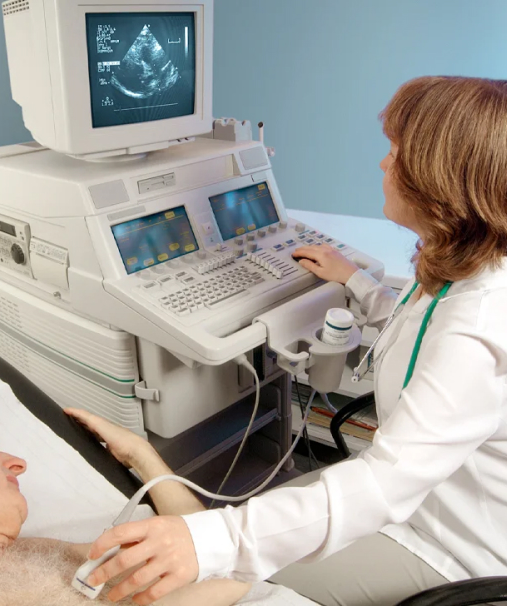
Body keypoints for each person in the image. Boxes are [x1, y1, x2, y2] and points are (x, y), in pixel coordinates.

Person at [81, 75, 507, 606]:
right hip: (424, 497)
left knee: (226, 581)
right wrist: (354, 281)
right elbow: (417, 323)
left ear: (438, 180)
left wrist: (213, 543)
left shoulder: (480, 326)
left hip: (446, 546)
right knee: (234, 538)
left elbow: (384, 484)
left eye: (395, 151)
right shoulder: (470, 263)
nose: (382, 164)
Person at [0, 409, 312, 605]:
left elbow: (213, 561)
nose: (17, 463)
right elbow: (226, 573)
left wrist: (142, 456)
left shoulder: (30, 554)